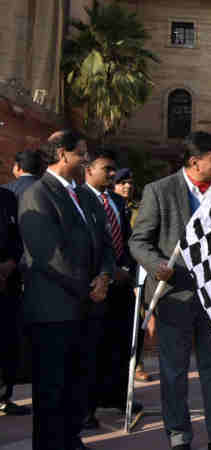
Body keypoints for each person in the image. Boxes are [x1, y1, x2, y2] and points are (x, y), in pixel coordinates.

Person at [129, 131, 211, 450]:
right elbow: (138, 242)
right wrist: (157, 265)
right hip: (174, 297)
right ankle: (179, 436)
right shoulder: (159, 191)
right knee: (174, 372)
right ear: (195, 162)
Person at [19, 130, 113, 450]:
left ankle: (71, 440)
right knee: (52, 391)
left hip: (87, 307)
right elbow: (48, 256)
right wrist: (88, 288)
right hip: (54, 310)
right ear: (62, 155)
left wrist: (104, 275)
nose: (86, 159)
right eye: (81, 153)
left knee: (78, 385)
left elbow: (104, 242)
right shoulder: (37, 194)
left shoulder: (86, 196)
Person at [78, 148, 143, 429]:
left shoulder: (117, 201)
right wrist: (105, 273)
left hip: (122, 285)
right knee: (92, 348)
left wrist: (126, 271)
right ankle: (85, 409)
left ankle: (116, 395)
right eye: (107, 169)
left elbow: (127, 240)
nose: (113, 174)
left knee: (120, 343)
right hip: (94, 286)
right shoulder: (79, 199)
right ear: (89, 169)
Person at [112, 167, 151, 382]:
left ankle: (137, 364)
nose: (127, 186)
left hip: (137, 269)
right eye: (121, 182)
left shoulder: (139, 209)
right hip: (113, 271)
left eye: (129, 182)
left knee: (138, 319)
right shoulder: (105, 205)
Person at [0, 185, 24, 416]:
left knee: (7, 341)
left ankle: (3, 396)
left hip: (8, 282)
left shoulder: (7, 198)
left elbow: (19, 238)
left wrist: (11, 264)